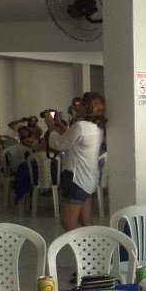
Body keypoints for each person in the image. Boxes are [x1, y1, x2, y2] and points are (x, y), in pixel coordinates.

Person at [45, 92, 105, 230]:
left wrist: (51, 126)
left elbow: (59, 144)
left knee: (68, 224)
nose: (77, 107)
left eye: (80, 104)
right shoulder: (98, 126)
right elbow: (75, 139)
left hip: (75, 178)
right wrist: (60, 125)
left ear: (86, 106)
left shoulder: (80, 126)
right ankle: (91, 244)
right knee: (86, 222)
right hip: (89, 178)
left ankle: (77, 245)